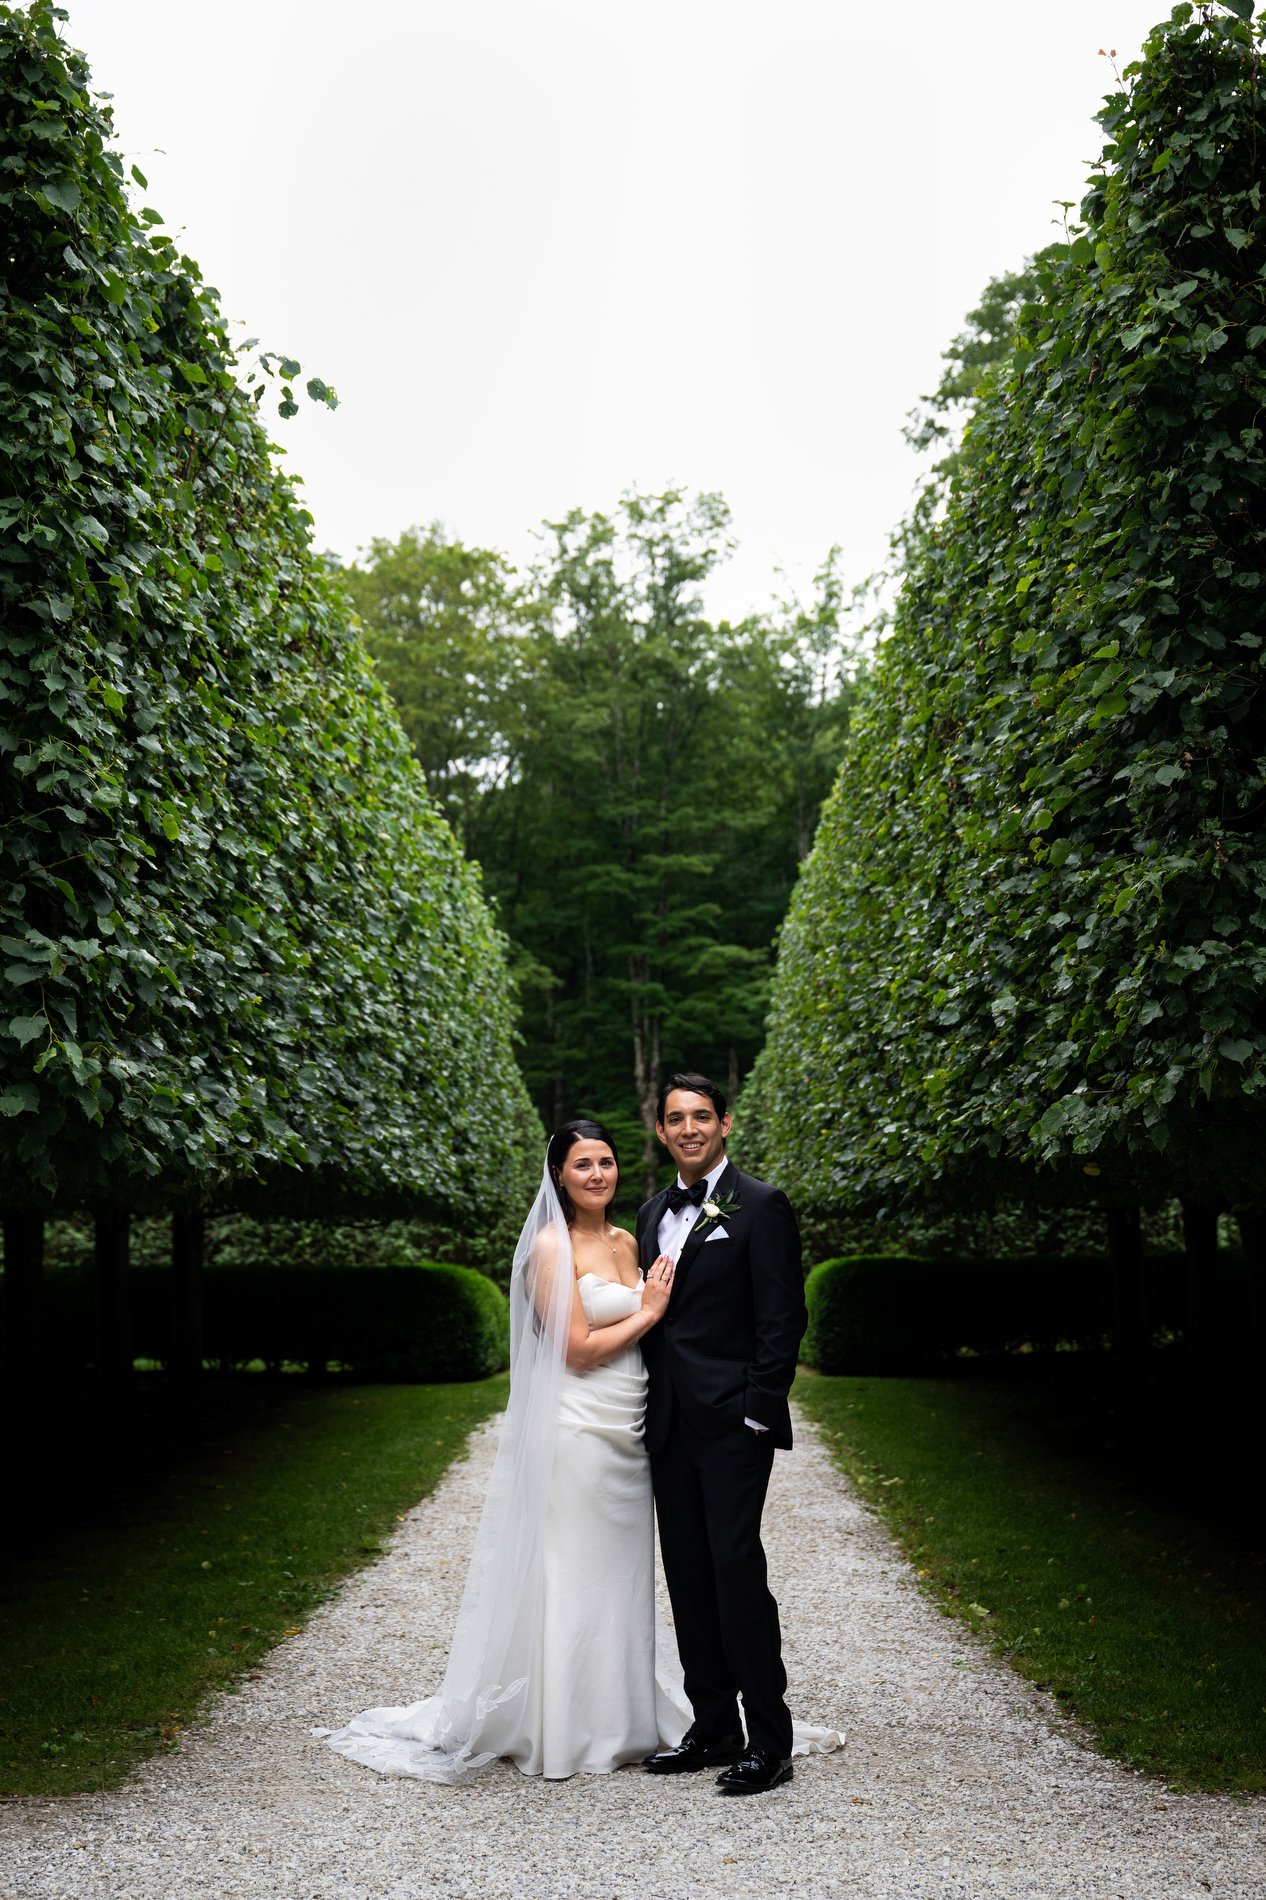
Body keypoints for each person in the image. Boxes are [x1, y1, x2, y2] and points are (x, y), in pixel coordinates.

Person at [318, 1118, 689, 1780]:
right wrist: (652, 1311)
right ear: (559, 1176)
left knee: (621, 1574)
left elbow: (634, 1329)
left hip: (628, 1427)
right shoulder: (551, 1247)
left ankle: (626, 1717)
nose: (598, 1174)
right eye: (583, 1164)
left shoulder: (628, 1240)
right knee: (572, 1567)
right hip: (577, 1427)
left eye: (606, 1161)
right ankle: (566, 1728)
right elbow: (574, 1350)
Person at [638, 1071, 807, 1795]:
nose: (689, 1129)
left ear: (725, 1124)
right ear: (662, 1131)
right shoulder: (650, 1213)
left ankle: (770, 1741)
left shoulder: (762, 1206)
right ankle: (713, 1728)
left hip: (733, 1425)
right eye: (676, 1119)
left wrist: (756, 1411)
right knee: (687, 1573)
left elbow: (781, 1320)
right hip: (669, 1424)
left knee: (736, 1571)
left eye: (701, 1116)